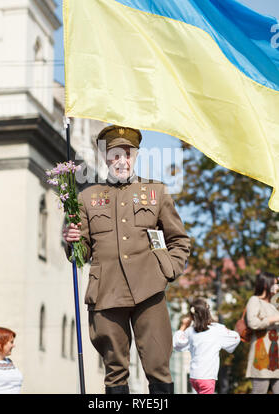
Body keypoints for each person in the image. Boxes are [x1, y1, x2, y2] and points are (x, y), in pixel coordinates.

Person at [63, 124, 191, 394]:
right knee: (114, 373)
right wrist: (72, 241)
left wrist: (167, 269)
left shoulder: (157, 192)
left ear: (135, 155)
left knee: (158, 367)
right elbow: (82, 253)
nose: (121, 161)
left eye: (127, 154)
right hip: (106, 292)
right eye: (114, 155)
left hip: (149, 290)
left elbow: (179, 240)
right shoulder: (86, 198)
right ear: (105, 158)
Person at [173, 298, 240, 394]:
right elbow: (235, 338)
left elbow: (177, 343)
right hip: (207, 377)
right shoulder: (217, 330)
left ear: (192, 317)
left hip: (194, 377)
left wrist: (183, 326)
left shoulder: (190, 331)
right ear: (208, 313)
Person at [245, 271, 279, 394]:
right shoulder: (255, 300)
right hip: (262, 357)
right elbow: (252, 322)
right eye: (274, 284)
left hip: (277, 358)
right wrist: (273, 319)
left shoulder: (274, 303)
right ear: (266, 284)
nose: (276, 286)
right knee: (259, 391)